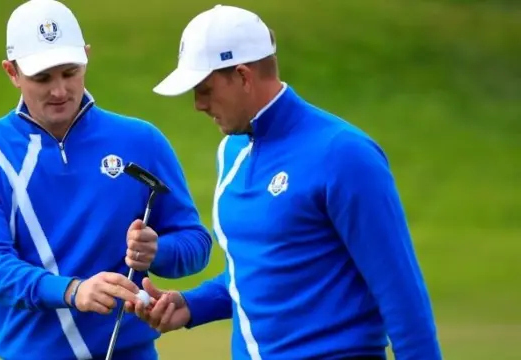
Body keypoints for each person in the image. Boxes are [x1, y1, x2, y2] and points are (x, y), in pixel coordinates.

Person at [129, 5, 443, 360]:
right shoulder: (231, 151)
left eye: (205, 89)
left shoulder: (343, 155)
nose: (198, 105)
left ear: (244, 76)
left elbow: (400, 292)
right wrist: (192, 305)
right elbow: (258, 268)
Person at [0, 0, 213, 359]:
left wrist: (157, 251)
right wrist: (72, 291)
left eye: (69, 72)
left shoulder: (141, 140)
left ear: (86, 58)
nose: (59, 90)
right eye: (42, 77)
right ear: (12, 72)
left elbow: (196, 243)